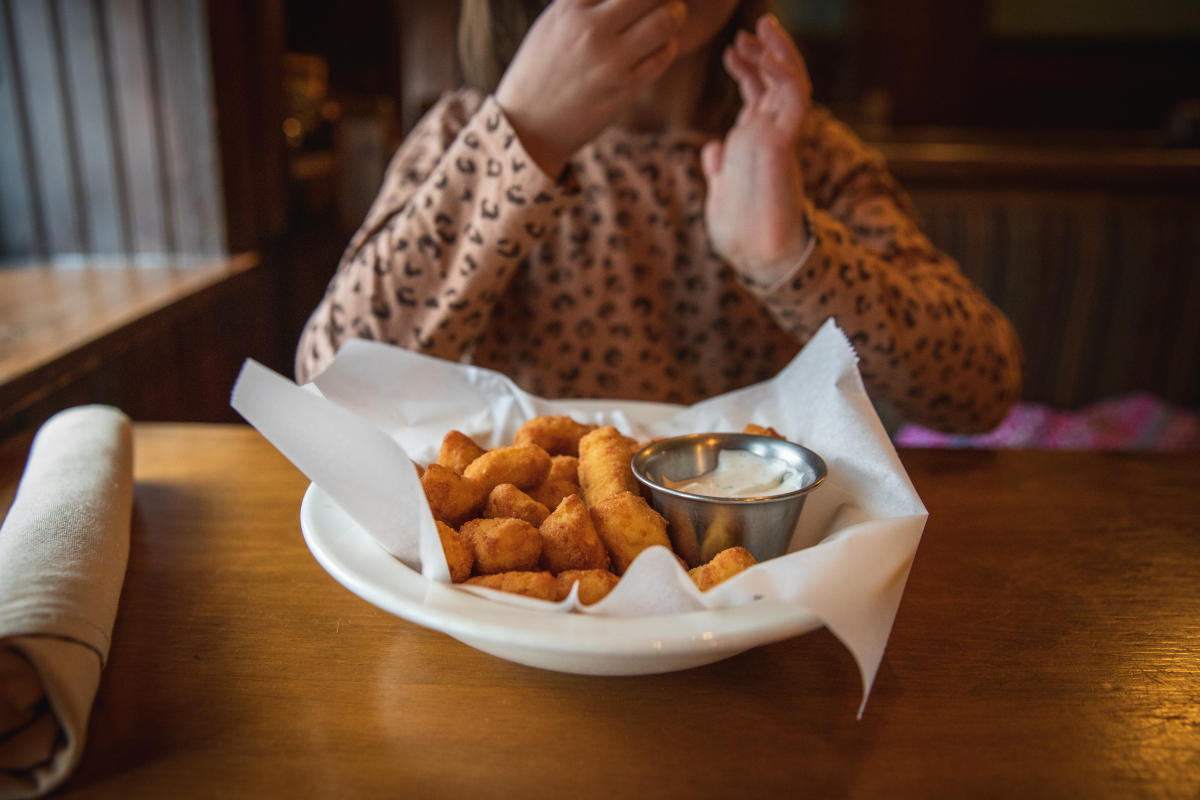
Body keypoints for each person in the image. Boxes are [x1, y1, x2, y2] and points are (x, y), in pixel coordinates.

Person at [296, 0, 1023, 433]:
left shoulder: (798, 148)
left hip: (752, 576)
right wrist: (525, 137)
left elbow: (980, 389)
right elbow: (329, 394)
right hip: (516, 580)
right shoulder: (468, 136)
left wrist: (791, 258)